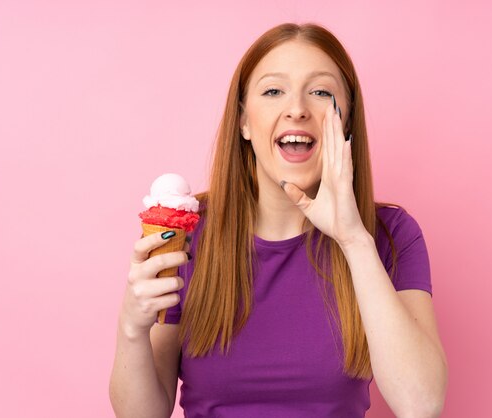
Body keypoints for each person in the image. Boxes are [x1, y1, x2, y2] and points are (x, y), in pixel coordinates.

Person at [110, 22, 448, 418]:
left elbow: (421, 405)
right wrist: (132, 327)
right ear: (244, 122)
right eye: (273, 91)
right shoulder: (188, 233)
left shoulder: (390, 235)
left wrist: (353, 239)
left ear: (347, 121)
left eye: (320, 91)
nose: (298, 108)